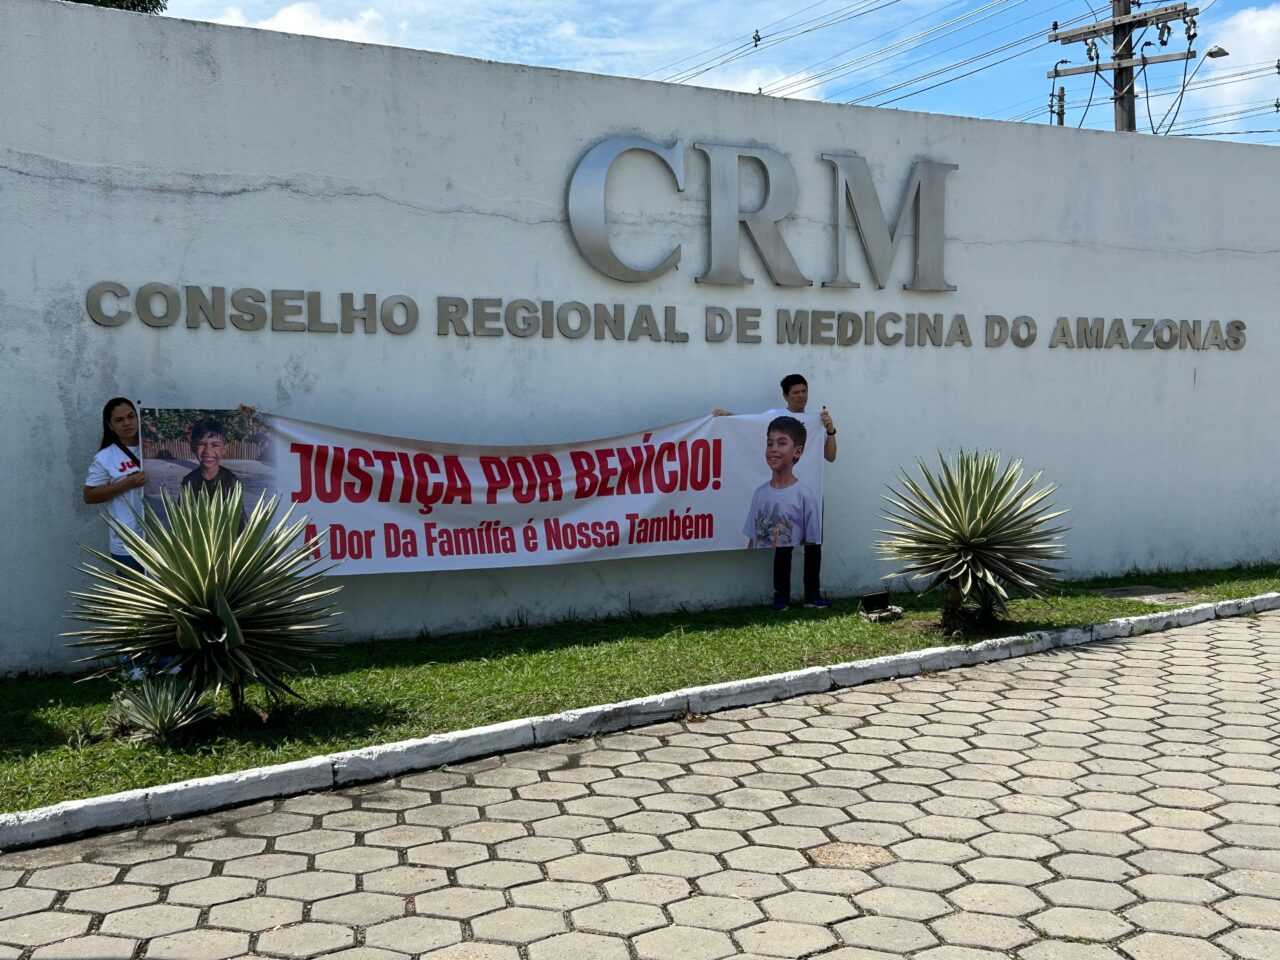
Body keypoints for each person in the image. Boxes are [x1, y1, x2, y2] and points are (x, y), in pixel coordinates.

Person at [718, 373, 838, 609]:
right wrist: (727, 418)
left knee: (814, 546)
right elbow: (748, 427)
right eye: (796, 392)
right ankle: (781, 598)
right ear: (785, 395)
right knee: (783, 547)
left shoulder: (816, 422)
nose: (801, 396)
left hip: (810, 494)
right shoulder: (774, 417)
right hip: (779, 495)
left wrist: (831, 430)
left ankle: (812, 596)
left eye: (804, 391)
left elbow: (831, 456)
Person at [744, 417, 824, 609]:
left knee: (813, 552)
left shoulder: (805, 494)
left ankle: (812, 596)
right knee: (781, 555)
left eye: (782, 443)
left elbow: (812, 540)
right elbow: (752, 538)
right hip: (780, 546)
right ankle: (781, 598)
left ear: (797, 451)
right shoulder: (760, 493)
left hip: (803, 542)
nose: (773, 449)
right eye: (770, 443)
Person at [83, 397, 147, 572]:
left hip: (161, 538)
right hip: (128, 543)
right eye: (119, 420)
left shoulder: (155, 448)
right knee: (132, 598)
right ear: (110, 426)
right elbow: (89, 496)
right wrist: (126, 484)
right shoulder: (105, 457)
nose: (127, 423)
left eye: (131, 416)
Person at [180, 416, 241, 497]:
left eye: (215, 445)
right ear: (193, 447)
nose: (207, 451)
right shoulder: (188, 482)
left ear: (224, 449)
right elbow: (181, 509)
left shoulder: (231, 482)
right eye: (201, 444)